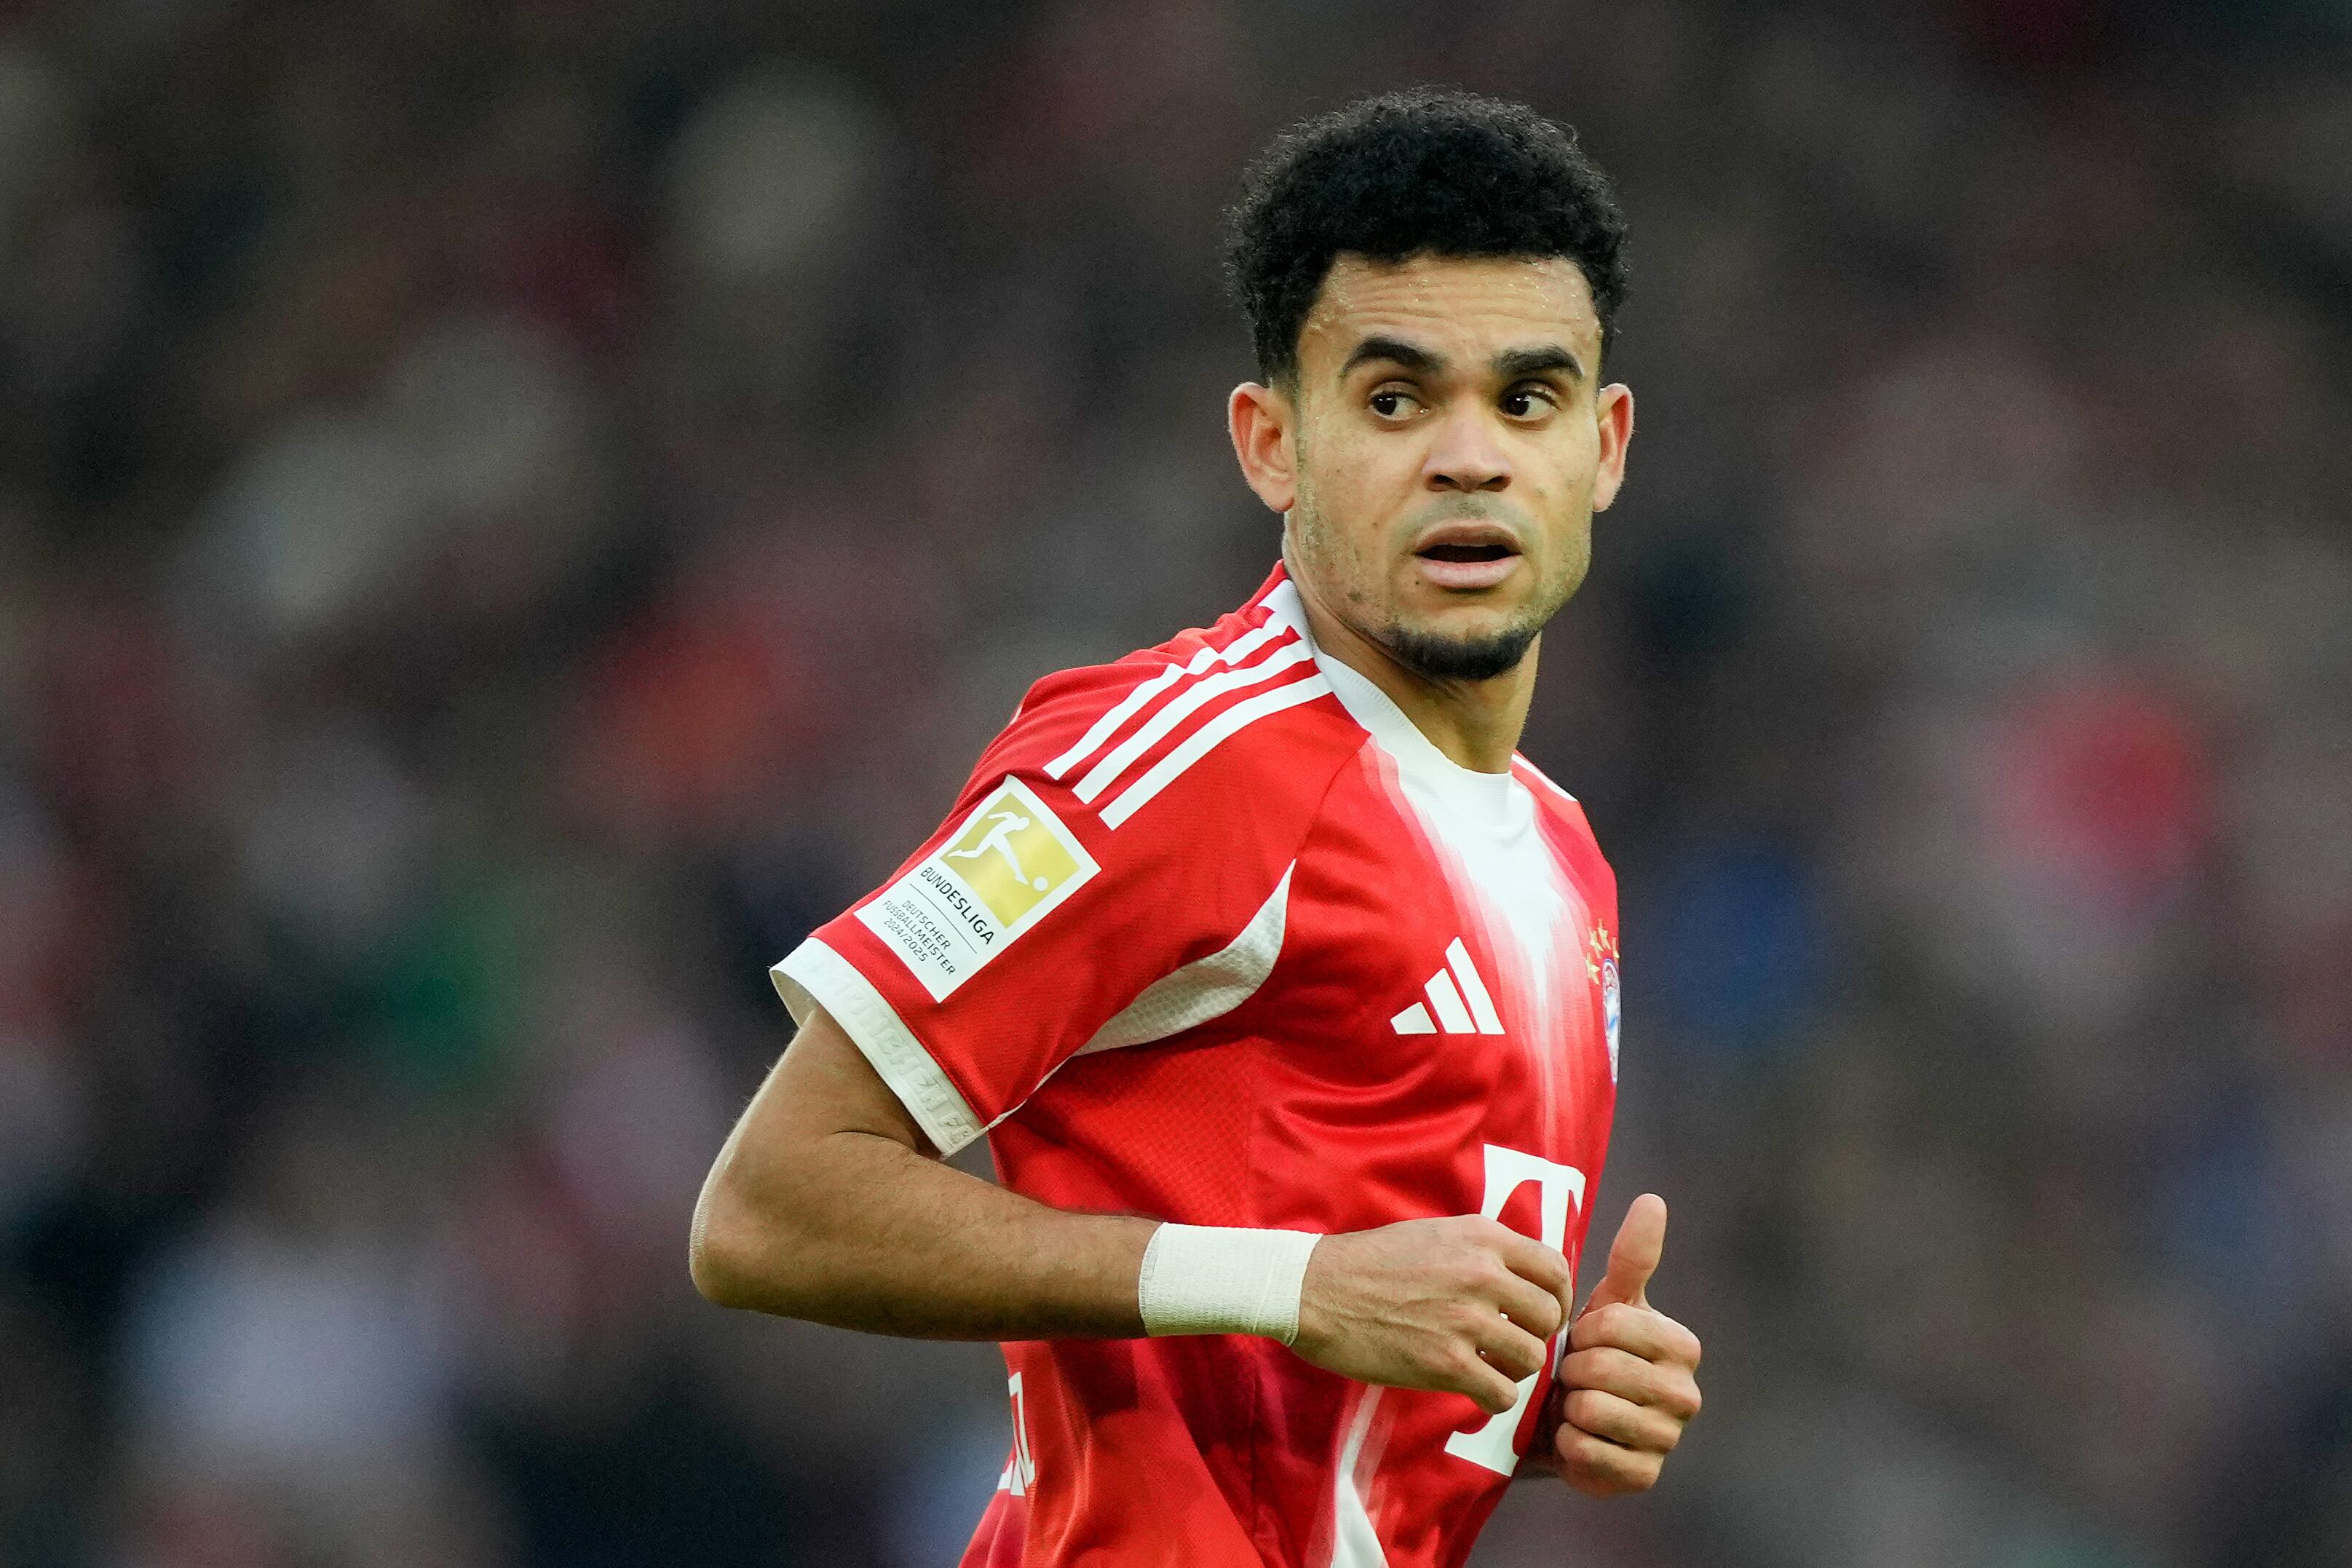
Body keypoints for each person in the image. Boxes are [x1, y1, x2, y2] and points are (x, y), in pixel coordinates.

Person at [691, 87, 1702, 1567]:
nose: (1469, 458)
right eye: (1392, 398)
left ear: (1603, 449)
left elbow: (1336, 1323)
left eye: (1526, 398)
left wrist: (1530, 1408)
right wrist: (1297, 1286)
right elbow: (766, 1209)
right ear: (1269, 446)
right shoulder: (1178, 760)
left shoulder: (1563, 859)